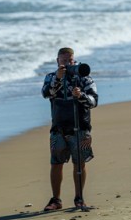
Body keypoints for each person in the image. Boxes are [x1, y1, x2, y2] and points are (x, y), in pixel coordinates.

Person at [41, 47, 98, 211]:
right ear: (57, 61)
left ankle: (79, 198)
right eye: (64, 61)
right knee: (56, 163)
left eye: (70, 60)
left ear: (75, 60)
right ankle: (56, 200)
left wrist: (81, 96)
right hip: (58, 128)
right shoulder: (51, 77)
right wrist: (57, 80)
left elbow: (94, 102)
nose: (67, 64)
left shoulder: (85, 78)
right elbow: (46, 93)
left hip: (81, 128)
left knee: (79, 163)